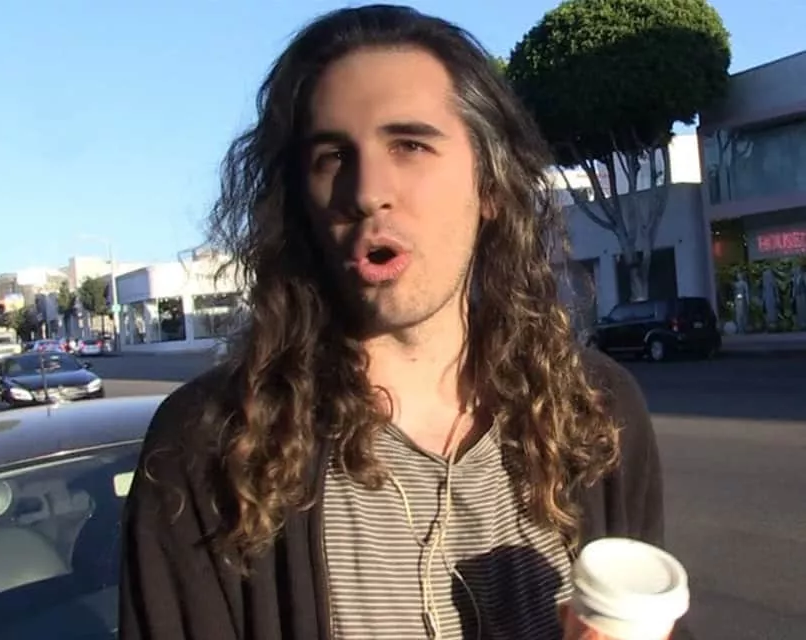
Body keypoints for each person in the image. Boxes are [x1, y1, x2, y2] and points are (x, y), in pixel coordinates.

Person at [120, 5, 688, 640]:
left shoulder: (596, 409)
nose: (367, 191)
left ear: (490, 186)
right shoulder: (210, 447)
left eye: (410, 145)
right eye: (332, 156)